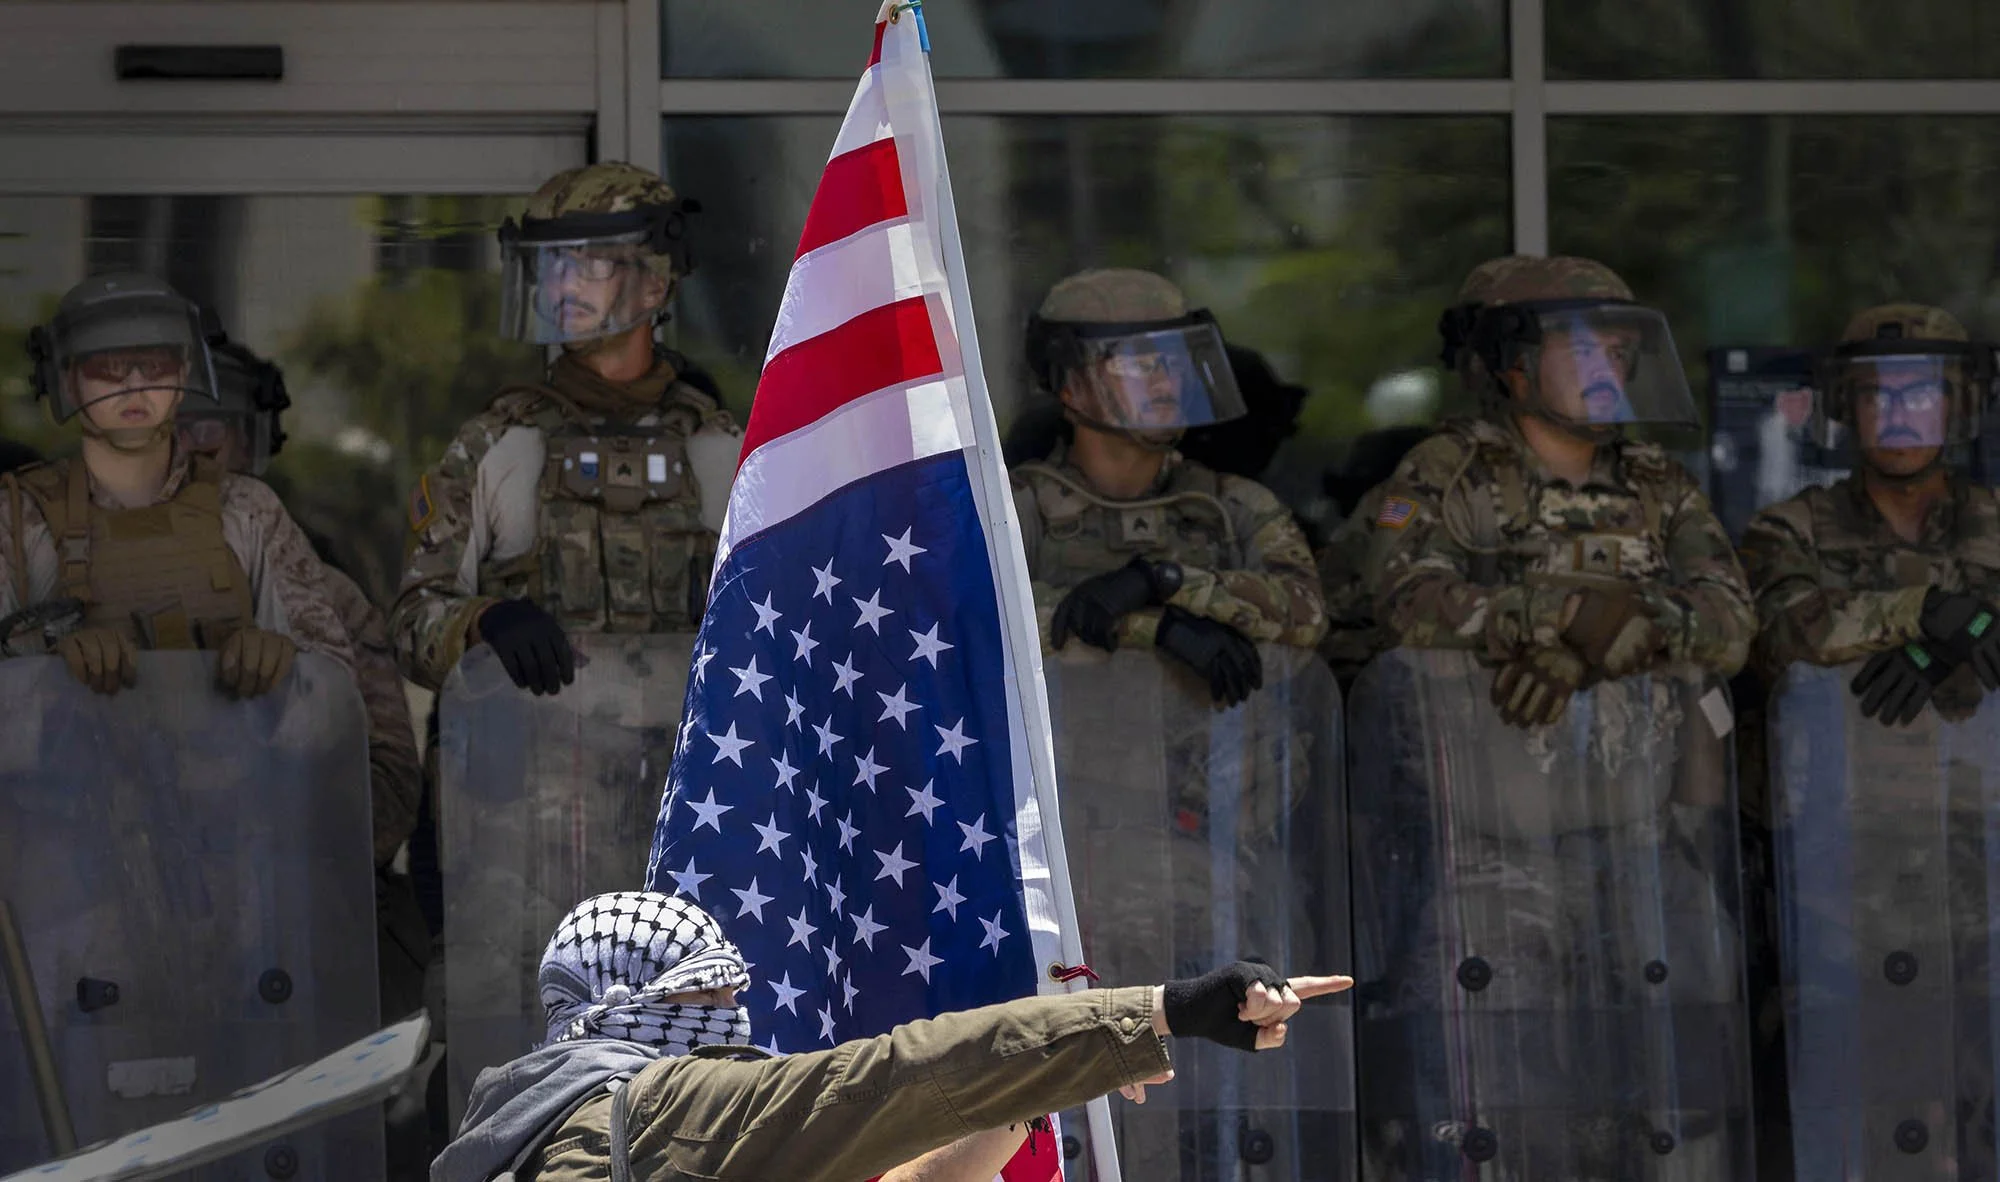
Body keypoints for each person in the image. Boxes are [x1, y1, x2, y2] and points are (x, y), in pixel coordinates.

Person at [432, 892, 1351, 1182]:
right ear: (616, 1004)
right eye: (703, 997)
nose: (728, 1021)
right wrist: (1167, 1010)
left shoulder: (539, 1129)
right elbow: (899, 1077)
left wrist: (1040, 1090)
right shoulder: (653, 1107)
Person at [388, 161, 740, 699]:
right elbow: (412, 623)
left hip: (684, 779)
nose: (563, 284)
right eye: (551, 263)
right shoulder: (497, 446)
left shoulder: (725, 454)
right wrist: (483, 622)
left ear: (653, 284)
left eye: (590, 263)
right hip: (535, 775)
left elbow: (785, 630)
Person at [1369, 254, 1754, 724]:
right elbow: (1402, 603)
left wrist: (1625, 627)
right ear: (1515, 364)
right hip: (1496, 764)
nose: (1605, 372)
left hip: (1636, 779)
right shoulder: (1450, 470)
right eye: (1582, 351)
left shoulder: (1659, 483)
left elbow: (1733, 618)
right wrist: (1565, 615)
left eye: (1618, 354)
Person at [0, 273, 354, 691]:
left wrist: (282, 663)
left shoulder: (246, 509)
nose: (134, 385)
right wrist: (47, 666)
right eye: (108, 367)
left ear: (184, 374)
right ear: (69, 382)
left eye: (154, 365)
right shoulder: (18, 517)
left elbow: (333, 686)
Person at [1009, 268, 1326, 708]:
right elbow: (983, 623)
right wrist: (1158, 628)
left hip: (1208, 771)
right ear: (1072, 385)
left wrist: (1165, 581)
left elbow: (1306, 613)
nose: (1164, 383)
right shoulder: (1011, 511)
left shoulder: (1233, 506)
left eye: (1176, 363)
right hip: (1069, 772)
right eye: (1138, 364)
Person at [176, 331, 422, 872]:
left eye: (210, 424)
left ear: (249, 441)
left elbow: (391, 783)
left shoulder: (329, 595)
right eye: (171, 426)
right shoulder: (85, 569)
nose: (190, 445)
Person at [1740, 303, 2000, 722]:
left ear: (1960, 405)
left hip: (1975, 775)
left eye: (1920, 395)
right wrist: (1925, 611)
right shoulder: (1790, 529)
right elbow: (1777, 638)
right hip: (1838, 774)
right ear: (1847, 407)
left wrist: (1933, 650)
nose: (1897, 416)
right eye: (1876, 394)